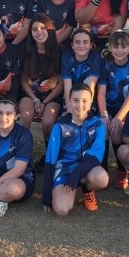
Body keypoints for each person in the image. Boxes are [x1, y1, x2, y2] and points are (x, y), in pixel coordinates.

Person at [43, 83, 108, 215]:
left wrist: (76, 174)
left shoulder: (98, 125)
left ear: (91, 103)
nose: (80, 105)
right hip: (65, 169)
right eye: (75, 100)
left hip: (86, 168)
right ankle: (67, 189)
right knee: (61, 210)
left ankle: (86, 189)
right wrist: (47, 196)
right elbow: (50, 159)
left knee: (102, 179)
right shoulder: (59, 126)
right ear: (69, 102)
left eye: (84, 101)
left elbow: (96, 156)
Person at [18, 13, 63, 167]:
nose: (39, 32)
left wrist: (45, 101)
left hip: (52, 96)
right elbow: (23, 80)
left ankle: (50, 157)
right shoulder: (27, 51)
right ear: (30, 33)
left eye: (43, 28)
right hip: (30, 94)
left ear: (50, 30)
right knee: (25, 116)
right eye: (35, 29)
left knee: (48, 121)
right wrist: (35, 99)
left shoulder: (60, 51)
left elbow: (62, 83)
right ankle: (22, 155)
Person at [96, 30, 129, 174]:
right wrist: (104, 114)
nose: (119, 50)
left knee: (117, 131)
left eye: (123, 47)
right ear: (109, 48)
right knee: (102, 127)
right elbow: (101, 92)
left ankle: (122, 171)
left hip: (128, 108)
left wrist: (118, 118)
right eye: (116, 47)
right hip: (109, 107)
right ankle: (101, 168)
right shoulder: (105, 63)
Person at [61, 28, 101, 111]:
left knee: (86, 120)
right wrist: (70, 110)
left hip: (87, 97)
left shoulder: (95, 57)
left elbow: (91, 85)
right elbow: (67, 84)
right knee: (66, 119)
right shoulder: (67, 57)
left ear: (91, 45)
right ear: (72, 45)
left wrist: (86, 110)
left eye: (85, 42)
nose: (81, 45)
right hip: (71, 96)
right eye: (77, 42)